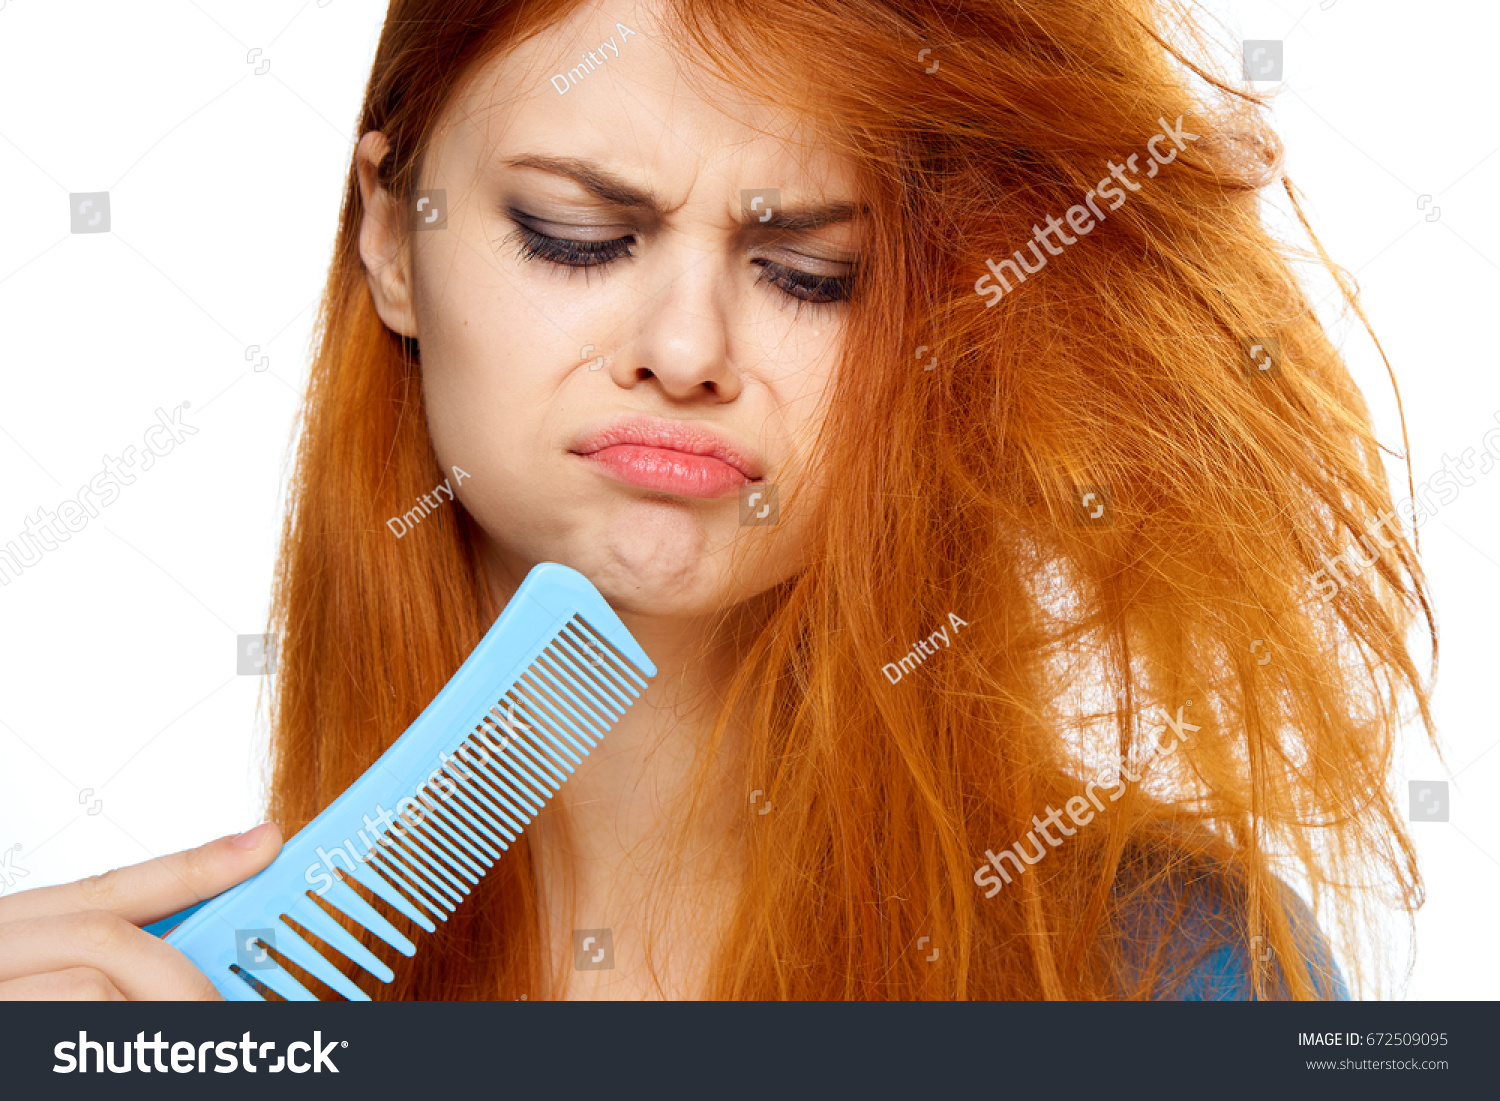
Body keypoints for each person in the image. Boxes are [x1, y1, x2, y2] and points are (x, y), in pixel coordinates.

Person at [0, 0, 1432, 1000]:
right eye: (579, 235)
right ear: (391, 236)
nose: (685, 350)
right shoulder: (159, 1002)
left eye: (814, 269)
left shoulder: (1166, 971)